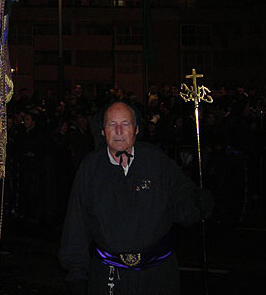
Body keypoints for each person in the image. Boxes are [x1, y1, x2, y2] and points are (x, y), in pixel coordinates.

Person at [59, 101, 211, 295]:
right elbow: (76, 222)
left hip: (157, 276)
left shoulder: (156, 160)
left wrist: (196, 202)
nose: (119, 131)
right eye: (112, 124)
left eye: (126, 124)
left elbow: (180, 202)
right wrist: (77, 274)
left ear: (137, 129)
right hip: (109, 276)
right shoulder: (90, 169)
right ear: (103, 131)